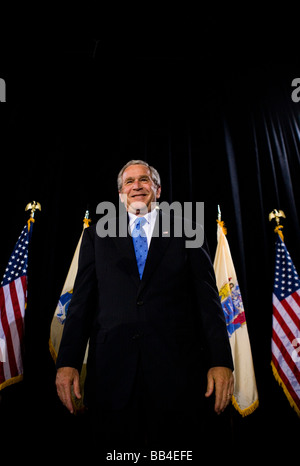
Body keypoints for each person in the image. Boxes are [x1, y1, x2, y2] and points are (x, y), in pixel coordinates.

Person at [55, 160, 234, 454]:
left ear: (158, 189)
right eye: (129, 182)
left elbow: (208, 302)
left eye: (144, 180)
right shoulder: (97, 235)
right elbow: (81, 305)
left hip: (177, 377)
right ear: (120, 193)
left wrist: (221, 360)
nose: (136, 185)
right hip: (112, 378)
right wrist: (67, 362)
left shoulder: (187, 230)